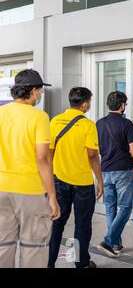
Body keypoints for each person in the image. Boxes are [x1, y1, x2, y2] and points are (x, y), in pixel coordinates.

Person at [0, 69, 60, 268]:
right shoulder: (39, 117)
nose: (41, 94)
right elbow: (43, 159)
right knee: (34, 247)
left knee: (3, 246)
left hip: (1, 188)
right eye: (40, 91)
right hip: (30, 191)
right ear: (33, 90)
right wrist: (52, 196)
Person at [47, 87, 103, 268]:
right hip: (82, 184)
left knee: (56, 224)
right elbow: (93, 155)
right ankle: (81, 263)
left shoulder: (55, 121)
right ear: (85, 103)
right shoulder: (88, 125)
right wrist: (100, 180)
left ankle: (49, 263)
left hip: (59, 180)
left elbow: (50, 153)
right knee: (82, 225)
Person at [96, 91, 133, 258]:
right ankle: (108, 241)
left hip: (105, 169)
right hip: (122, 170)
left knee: (110, 208)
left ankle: (116, 244)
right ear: (122, 105)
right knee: (126, 207)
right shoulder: (126, 124)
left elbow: (97, 148)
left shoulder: (99, 123)